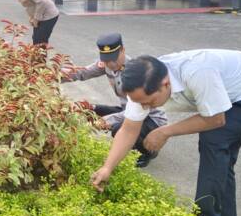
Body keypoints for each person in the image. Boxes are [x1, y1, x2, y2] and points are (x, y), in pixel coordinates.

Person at [90, 50, 241, 216]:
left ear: (165, 84)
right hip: (230, 92)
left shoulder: (197, 72)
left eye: (149, 103)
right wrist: (107, 167)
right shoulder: (140, 88)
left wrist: (165, 132)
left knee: (214, 139)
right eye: (141, 104)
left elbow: (216, 119)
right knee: (221, 161)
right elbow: (129, 130)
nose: (145, 108)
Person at [62, 33, 166, 168]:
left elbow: (134, 113)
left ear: (123, 50)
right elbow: (82, 72)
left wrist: (101, 123)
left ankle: (148, 151)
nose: (111, 64)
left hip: (150, 119)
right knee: (87, 108)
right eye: (106, 59)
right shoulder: (106, 64)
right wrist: (53, 73)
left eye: (114, 59)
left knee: (117, 128)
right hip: (127, 110)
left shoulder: (137, 72)